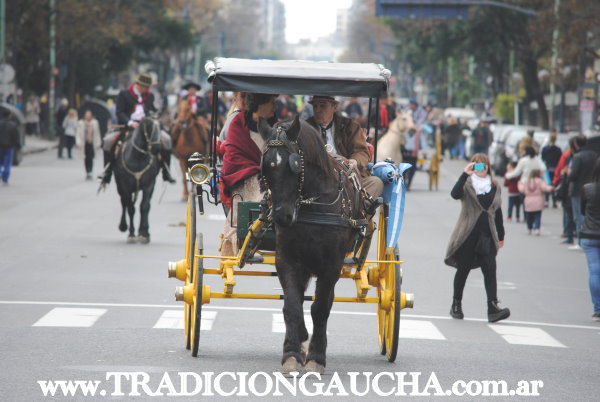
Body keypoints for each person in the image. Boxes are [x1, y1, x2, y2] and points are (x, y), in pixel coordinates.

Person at [445, 153, 510, 323]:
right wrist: (465, 173)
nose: (481, 169)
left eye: (484, 165)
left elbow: (498, 212)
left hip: (487, 235)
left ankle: (493, 308)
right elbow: (454, 194)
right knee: (463, 269)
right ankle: (456, 304)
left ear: (488, 167)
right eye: (477, 165)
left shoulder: (494, 186)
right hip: (467, 234)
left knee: (490, 270)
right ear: (472, 166)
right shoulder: (467, 184)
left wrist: (501, 235)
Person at [220, 93, 278, 256]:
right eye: (272, 102)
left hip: (273, 176)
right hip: (243, 177)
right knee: (253, 193)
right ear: (260, 105)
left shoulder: (277, 126)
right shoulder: (237, 124)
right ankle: (235, 238)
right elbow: (235, 158)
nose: (275, 106)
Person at [98, 72, 175, 186]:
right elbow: (120, 112)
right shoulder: (124, 94)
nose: (147, 89)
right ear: (139, 84)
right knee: (108, 141)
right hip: (128, 126)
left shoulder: (150, 96)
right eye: (146, 86)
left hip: (147, 127)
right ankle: (107, 171)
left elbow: (151, 110)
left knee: (167, 140)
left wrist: (156, 113)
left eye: (148, 87)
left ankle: (166, 171)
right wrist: (130, 122)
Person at [305, 95, 383, 199]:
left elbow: (361, 151)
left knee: (376, 183)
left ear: (335, 108)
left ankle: (359, 210)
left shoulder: (350, 126)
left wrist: (354, 161)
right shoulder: (306, 128)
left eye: (322, 106)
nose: (318, 110)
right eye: (315, 106)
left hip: (346, 176)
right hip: (316, 178)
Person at [567, 136, 598, 250]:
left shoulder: (577, 156)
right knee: (589, 215)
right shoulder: (594, 155)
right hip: (593, 188)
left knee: (579, 216)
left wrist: (567, 174)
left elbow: (573, 175)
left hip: (578, 190)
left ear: (576, 144)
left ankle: (580, 241)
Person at [580, 157, 600, 321]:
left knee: (594, 271)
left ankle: (597, 308)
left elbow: (582, 211)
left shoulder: (587, 188)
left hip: (589, 234)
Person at [518, 169, 554, 235]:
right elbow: (545, 188)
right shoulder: (540, 181)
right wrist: (551, 188)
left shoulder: (527, 181)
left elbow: (522, 189)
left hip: (528, 201)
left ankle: (529, 228)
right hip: (538, 200)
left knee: (529, 216)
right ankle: (537, 228)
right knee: (538, 216)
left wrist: (519, 184)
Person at [553, 141, 575, 244]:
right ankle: (570, 232)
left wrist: (556, 180)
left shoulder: (567, 156)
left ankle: (568, 232)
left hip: (569, 187)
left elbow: (560, 169)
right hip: (571, 187)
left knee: (568, 211)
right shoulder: (569, 156)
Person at [76, 110, 102, 180]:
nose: (87, 116)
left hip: (92, 143)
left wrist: (98, 143)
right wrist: (78, 142)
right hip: (84, 143)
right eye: (86, 115)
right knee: (85, 158)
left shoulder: (95, 123)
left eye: (89, 115)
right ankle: (87, 171)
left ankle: (90, 171)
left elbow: (97, 133)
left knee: (91, 157)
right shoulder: (81, 123)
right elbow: (78, 133)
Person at [541, 132, 562, 208]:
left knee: (547, 184)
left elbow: (542, 158)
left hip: (547, 168)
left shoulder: (545, 149)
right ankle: (554, 201)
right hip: (555, 169)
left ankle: (546, 201)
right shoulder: (558, 149)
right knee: (554, 184)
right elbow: (560, 159)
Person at [0, 110, 21, 185]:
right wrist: (18, 146)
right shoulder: (13, 125)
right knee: (7, 163)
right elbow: (16, 137)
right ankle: (5, 178)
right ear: (9, 115)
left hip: (1, 146)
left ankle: (0, 173)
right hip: (9, 146)